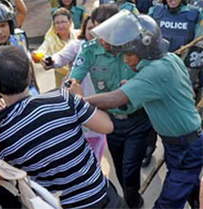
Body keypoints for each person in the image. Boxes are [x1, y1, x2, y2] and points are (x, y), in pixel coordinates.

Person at [70, 10, 202, 209]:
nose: (124, 60)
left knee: (167, 202)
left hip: (186, 147)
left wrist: (79, 101)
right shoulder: (169, 60)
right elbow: (189, 95)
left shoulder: (155, 71)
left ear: (145, 49)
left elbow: (115, 98)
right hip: (178, 144)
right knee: (190, 187)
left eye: (129, 54)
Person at [0, 45, 128, 209]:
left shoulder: (0, 135)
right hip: (100, 197)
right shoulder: (64, 99)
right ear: (30, 75)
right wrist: (80, 99)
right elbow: (107, 126)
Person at [69, 5, 150, 208]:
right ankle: (133, 199)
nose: (103, 40)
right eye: (98, 32)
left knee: (130, 168)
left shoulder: (138, 46)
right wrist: (76, 92)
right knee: (121, 170)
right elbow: (73, 81)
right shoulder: (89, 50)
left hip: (138, 120)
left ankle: (132, 203)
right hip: (111, 123)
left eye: (108, 33)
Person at [144, 0, 203, 166]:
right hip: (156, 73)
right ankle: (149, 146)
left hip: (183, 76)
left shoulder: (196, 14)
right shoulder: (154, 12)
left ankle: (181, 153)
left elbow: (199, 42)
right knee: (152, 110)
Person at [40, 15, 107, 161]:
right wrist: (51, 61)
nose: (93, 32)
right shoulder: (78, 46)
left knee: (96, 142)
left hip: (98, 104)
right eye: (90, 28)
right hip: (74, 103)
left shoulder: (108, 49)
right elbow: (61, 57)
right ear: (84, 29)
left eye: (97, 28)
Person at [36, 8, 80, 88]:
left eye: (63, 22)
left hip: (80, 77)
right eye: (57, 23)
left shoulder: (79, 35)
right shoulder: (50, 40)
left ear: (70, 22)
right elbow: (41, 51)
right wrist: (40, 58)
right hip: (61, 79)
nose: (60, 26)